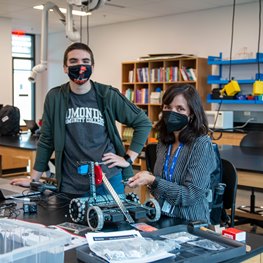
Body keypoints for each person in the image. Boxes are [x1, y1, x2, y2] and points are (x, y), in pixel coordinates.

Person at [11, 42, 152, 196]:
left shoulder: (107, 95)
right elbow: (46, 140)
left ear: (93, 66)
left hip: (107, 181)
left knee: (113, 220)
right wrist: (34, 180)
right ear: (65, 68)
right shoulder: (55, 97)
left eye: (85, 62)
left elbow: (143, 122)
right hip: (70, 183)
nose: (80, 66)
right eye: (73, 62)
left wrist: (128, 158)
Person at [128, 84, 217, 223]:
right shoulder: (164, 141)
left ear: (191, 114)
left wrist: (154, 181)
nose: (172, 112)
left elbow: (189, 196)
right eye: (168, 107)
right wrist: (149, 177)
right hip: (161, 217)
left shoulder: (201, 145)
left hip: (190, 221)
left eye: (180, 109)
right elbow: (160, 185)